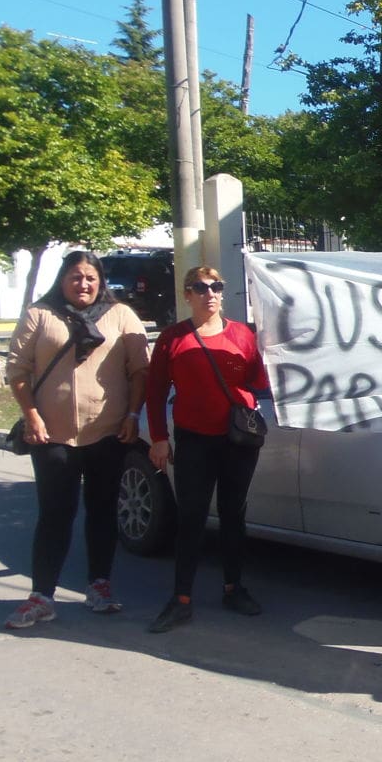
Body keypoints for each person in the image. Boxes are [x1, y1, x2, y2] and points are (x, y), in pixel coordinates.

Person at [4, 251, 149, 629]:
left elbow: (140, 371)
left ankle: (99, 586)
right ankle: (42, 596)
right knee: (55, 513)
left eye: (90, 277)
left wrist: (133, 414)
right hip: (51, 434)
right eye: (75, 277)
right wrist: (31, 415)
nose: (83, 284)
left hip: (108, 433)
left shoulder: (120, 315)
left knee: (102, 511)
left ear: (100, 280)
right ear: (62, 279)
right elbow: (18, 370)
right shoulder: (41, 314)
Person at [144, 265, 269, 633]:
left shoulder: (244, 335)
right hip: (194, 437)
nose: (210, 293)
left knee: (234, 514)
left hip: (237, 439)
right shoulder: (173, 338)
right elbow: (154, 392)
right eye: (200, 287)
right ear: (187, 295)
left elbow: (259, 380)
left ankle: (234, 588)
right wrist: (158, 438)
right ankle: (181, 599)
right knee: (191, 518)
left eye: (217, 286)